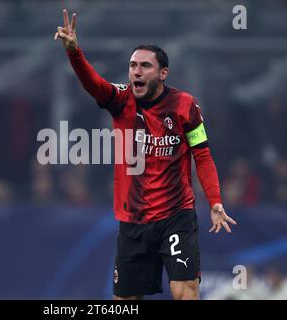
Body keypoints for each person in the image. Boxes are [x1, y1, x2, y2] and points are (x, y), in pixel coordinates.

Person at [54, 10, 237, 300]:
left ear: (163, 73)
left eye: (145, 66)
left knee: (185, 292)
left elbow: (201, 155)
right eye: (132, 66)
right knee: (125, 301)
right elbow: (93, 84)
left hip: (176, 215)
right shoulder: (120, 100)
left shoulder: (185, 106)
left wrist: (215, 201)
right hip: (133, 219)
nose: (136, 71)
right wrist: (75, 52)